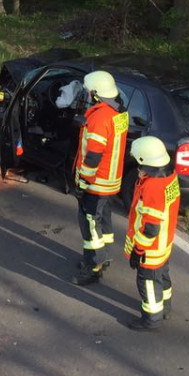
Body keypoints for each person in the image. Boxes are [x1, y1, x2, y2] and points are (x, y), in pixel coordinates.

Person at [71, 70, 129, 286]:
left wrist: (83, 183)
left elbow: (94, 155)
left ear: (95, 94)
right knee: (103, 219)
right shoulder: (120, 112)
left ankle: (93, 266)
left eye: (88, 92)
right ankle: (104, 258)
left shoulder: (99, 117)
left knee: (90, 225)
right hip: (111, 181)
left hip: (96, 183)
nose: (86, 95)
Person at [123, 136, 180, 330]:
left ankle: (152, 318)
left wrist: (138, 251)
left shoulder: (153, 187)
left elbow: (150, 227)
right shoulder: (169, 176)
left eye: (140, 164)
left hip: (151, 248)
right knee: (162, 276)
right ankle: (165, 306)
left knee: (147, 281)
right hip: (164, 243)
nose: (138, 169)